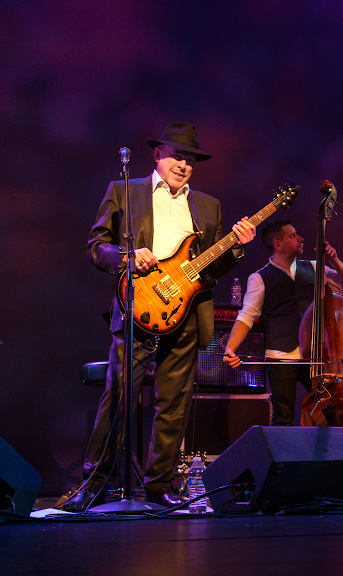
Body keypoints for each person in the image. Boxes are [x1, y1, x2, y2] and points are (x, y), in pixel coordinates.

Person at [66, 122, 256, 511]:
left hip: (185, 313)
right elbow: (96, 246)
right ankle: (95, 482)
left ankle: (159, 486)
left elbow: (212, 270)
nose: (183, 165)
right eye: (177, 156)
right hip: (139, 306)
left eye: (190, 160)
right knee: (120, 396)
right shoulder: (124, 190)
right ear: (157, 155)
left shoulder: (208, 206)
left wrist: (237, 248)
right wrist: (127, 257)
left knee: (174, 403)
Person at [221, 219, 343, 426]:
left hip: (315, 353)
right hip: (281, 355)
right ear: (278, 244)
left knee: (331, 410)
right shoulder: (259, 277)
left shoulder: (314, 267)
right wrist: (231, 348)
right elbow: (247, 316)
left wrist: (334, 260)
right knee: (283, 415)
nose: (300, 238)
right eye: (293, 236)